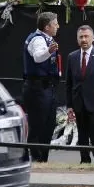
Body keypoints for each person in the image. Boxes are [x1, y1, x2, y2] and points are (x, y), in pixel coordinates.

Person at [65, 25, 94, 164]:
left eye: (86, 36)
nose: (84, 39)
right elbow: (68, 83)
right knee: (82, 135)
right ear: (77, 39)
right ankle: (84, 160)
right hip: (78, 103)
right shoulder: (72, 57)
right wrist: (69, 106)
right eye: (81, 37)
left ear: (93, 38)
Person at [22, 11, 60, 163]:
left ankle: (43, 158)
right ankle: (36, 159)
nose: (58, 26)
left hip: (47, 87)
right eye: (55, 23)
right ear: (47, 26)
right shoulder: (37, 39)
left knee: (49, 124)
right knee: (38, 124)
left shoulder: (46, 38)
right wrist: (49, 51)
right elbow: (38, 57)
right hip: (37, 88)